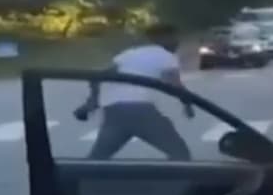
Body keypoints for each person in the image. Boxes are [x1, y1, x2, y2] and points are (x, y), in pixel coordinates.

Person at [73, 23, 193, 161]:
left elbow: (99, 77)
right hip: (140, 111)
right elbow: (174, 85)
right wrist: (188, 103)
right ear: (163, 38)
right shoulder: (166, 55)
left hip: (113, 112)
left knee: (97, 159)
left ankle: (77, 175)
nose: (177, 42)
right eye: (174, 38)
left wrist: (91, 104)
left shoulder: (129, 54)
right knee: (180, 154)